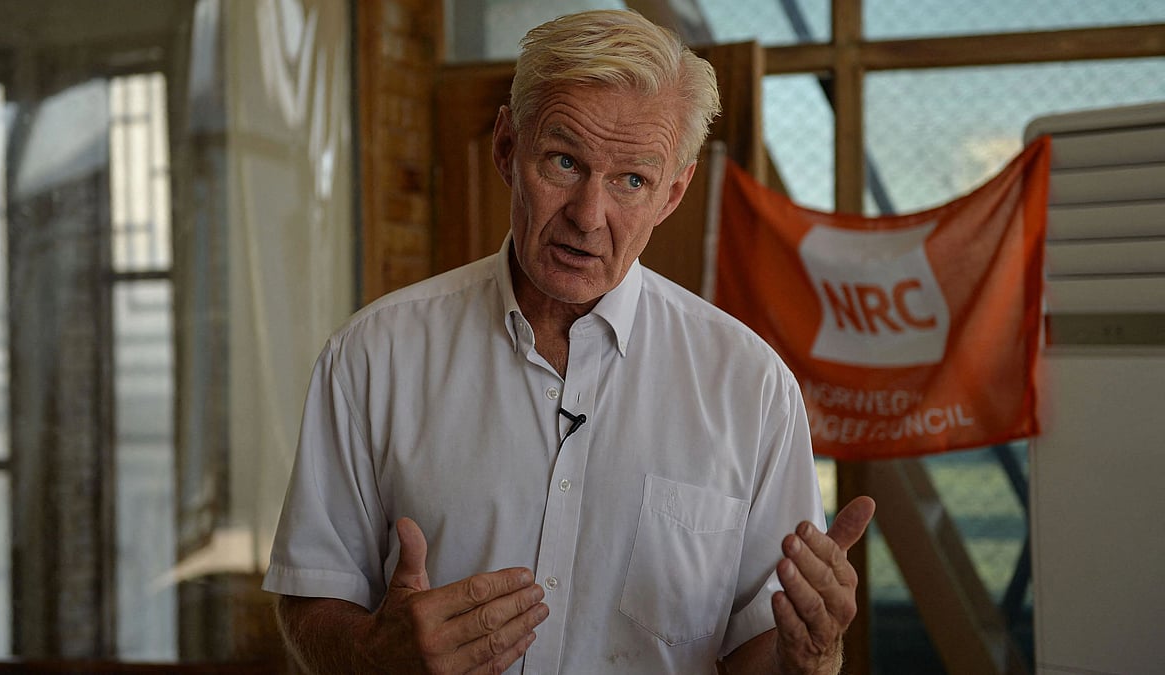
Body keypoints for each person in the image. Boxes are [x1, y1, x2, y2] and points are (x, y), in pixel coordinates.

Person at [263, 8, 875, 675]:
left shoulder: (750, 387)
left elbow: (756, 650)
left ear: (673, 193)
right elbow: (310, 597)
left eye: (631, 181)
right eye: (564, 161)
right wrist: (371, 654)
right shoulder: (372, 357)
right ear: (506, 149)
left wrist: (811, 654)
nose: (588, 216)